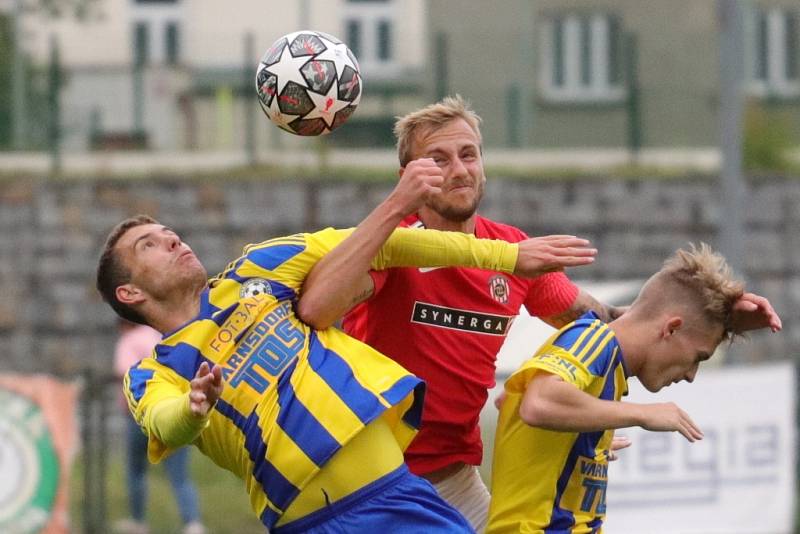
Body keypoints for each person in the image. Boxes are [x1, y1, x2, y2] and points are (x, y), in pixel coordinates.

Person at [299, 95, 780, 531]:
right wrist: (393, 206)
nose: (459, 170)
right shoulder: (393, 245)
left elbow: (613, 325)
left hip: (453, 476)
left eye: (469, 154)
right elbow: (317, 308)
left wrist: (718, 313)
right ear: (409, 174)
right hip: (377, 472)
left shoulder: (511, 249)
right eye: (437, 159)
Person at [95, 166, 598, 533]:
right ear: (130, 294)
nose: (173, 241)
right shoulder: (152, 373)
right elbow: (164, 421)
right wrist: (192, 407)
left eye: (169, 234)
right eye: (150, 246)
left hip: (399, 494)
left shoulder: (260, 268)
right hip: (311, 522)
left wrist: (506, 255)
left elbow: (384, 243)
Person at [485, 243, 780, 533]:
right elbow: (538, 403)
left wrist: (726, 319)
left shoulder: (610, 369)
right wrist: (642, 414)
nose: (691, 374)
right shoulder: (593, 339)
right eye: (698, 357)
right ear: (671, 328)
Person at [113, 319, 206, 534]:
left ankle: (138, 521)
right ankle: (193, 523)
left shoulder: (128, 341)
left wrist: (129, 410)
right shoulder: (158, 335)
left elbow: (126, 376)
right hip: (173, 410)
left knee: (136, 470)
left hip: (142, 415)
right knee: (180, 475)